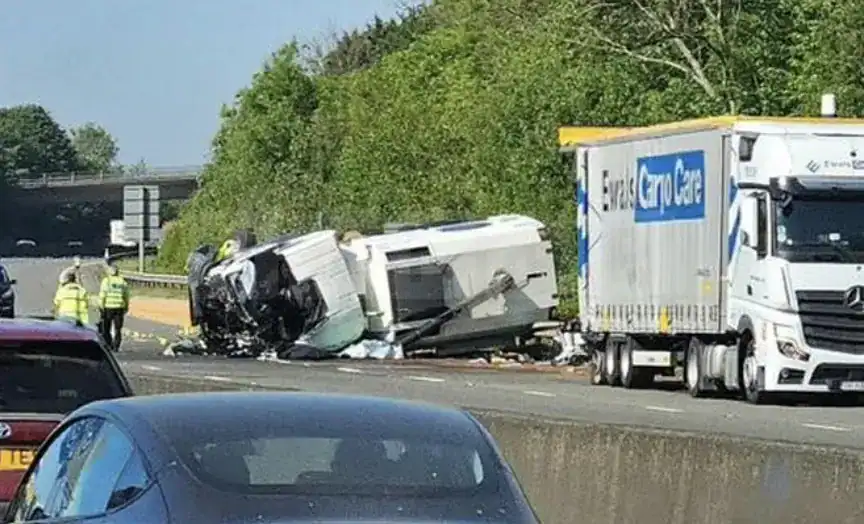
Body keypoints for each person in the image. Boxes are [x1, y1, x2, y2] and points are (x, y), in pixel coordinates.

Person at [99, 264, 130, 351]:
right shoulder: (122, 281)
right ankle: (116, 346)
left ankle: (109, 344)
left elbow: (102, 295)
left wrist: (101, 306)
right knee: (118, 329)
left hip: (108, 307)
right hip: (119, 307)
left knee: (106, 328)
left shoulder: (107, 281)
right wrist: (126, 306)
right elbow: (126, 295)